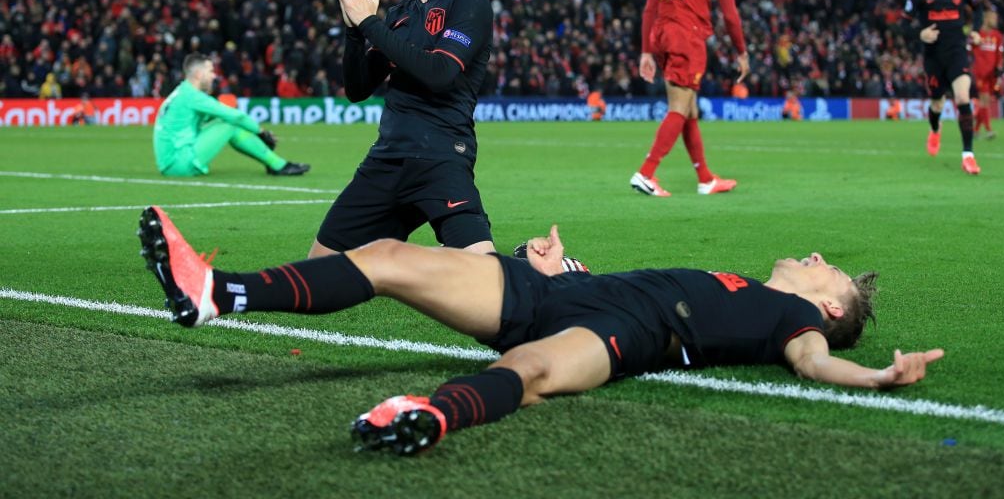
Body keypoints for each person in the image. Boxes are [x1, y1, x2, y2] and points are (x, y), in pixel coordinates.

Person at [138, 204, 944, 456]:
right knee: (387, 255)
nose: (814, 258)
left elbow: (811, 365)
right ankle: (216, 292)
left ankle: (428, 414)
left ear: (831, 308)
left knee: (528, 375)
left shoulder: (799, 322)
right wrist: (564, 269)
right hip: (567, 293)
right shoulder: (740, 280)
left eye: (827, 269)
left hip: (627, 334)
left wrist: (877, 377)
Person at [309, 0, 495, 258]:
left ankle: (549, 272)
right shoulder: (399, 14)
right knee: (316, 269)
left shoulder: (469, 1)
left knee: (489, 279)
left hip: (441, 158)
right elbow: (358, 89)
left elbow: (440, 73)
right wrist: (353, 31)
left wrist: (369, 23)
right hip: (387, 159)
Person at [632, 0, 750, 198]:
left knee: (689, 109)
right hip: (687, 35)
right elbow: (730, 14)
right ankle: (646, 173)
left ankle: (705, 178)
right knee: (679, 107)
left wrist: (646, 51)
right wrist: (742, 51)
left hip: (661, 34)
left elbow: (649, 9)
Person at [153, 53, 309, 177]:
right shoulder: (193, 96)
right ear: (199, 74)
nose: (214, 76)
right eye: (211, 71)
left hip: (169, 162)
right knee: (230, 122)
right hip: (179, 164)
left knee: (228, 122)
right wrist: (261, 133)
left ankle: (276, 164)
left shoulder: (182, 92)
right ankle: (277, 164)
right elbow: (237, 117)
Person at [902, 0, 983, 175]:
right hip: (933, 57)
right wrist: (920, 34)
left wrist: (975, 30)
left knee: (962, 97)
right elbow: (902, 24)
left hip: (957, 52)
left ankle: (968, 156)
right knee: (937, 103)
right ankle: (935, 129)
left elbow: (978, 9)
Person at [971, 8, 1004, 140]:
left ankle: (975, 130)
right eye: (993, 18)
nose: (995, 21)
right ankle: (989, 130)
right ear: (986, 19)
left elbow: (999, 55)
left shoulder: (997, 36)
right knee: (984, 101)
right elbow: (970, 50)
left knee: (985, 102)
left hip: (992, 74)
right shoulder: (978, 35)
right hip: (980, 73)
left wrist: (999, 70)